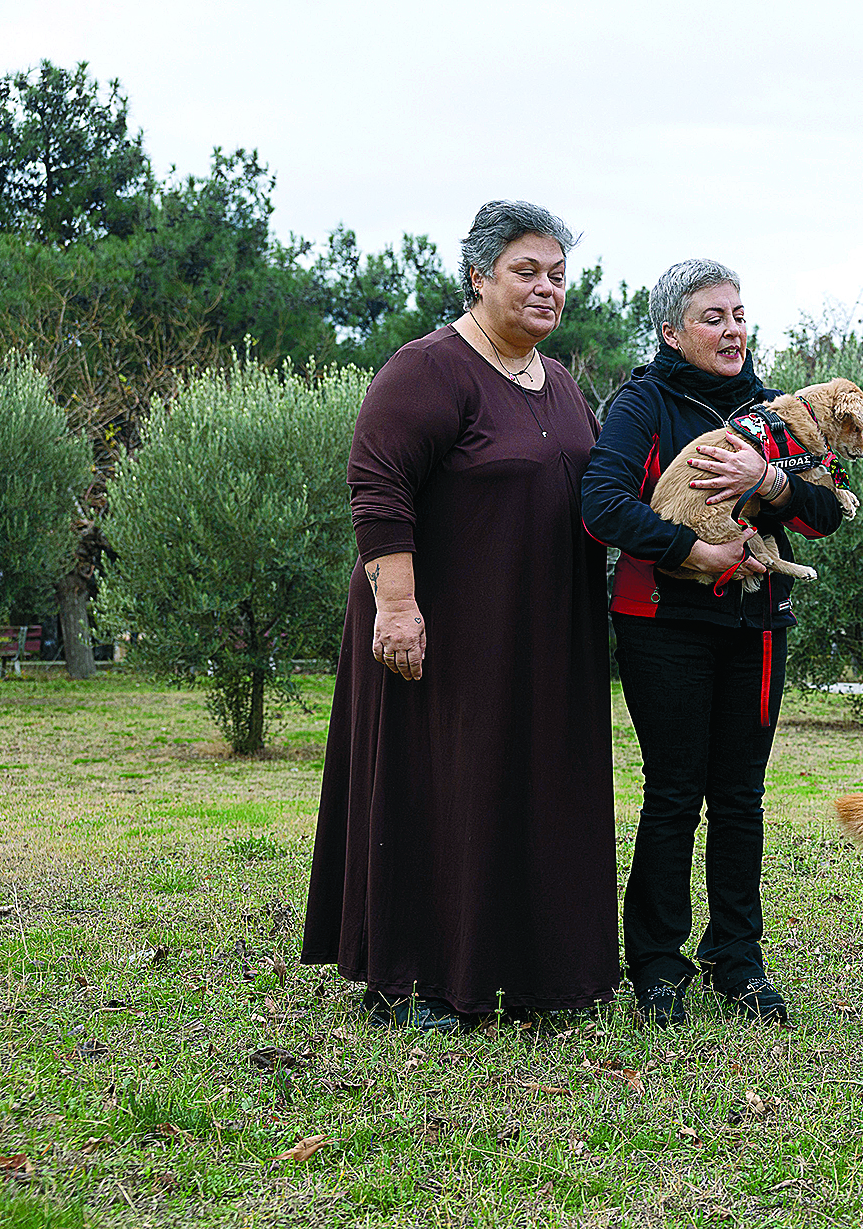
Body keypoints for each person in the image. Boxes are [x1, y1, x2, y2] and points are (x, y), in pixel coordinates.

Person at [302, 201, 620, 1031]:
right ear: (478, 276)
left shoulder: (558, 382)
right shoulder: (427, 368)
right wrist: (397, 607)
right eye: (526, 270)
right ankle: (413, 983)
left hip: (539, 636)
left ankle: (526, 971)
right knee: (439, 792)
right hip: (440, 634)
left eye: (557, 274)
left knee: (524, 792)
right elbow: (377, 483)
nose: (547, 287)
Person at [580, 258, 845, 1027]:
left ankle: (738, 960)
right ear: (671, 331)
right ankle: (657, 966)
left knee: (739, 797)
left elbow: (824, 513)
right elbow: (600, 504)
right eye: (712, 317)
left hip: (756, 626)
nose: (732, 331)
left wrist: (769, 481)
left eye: (738, 315)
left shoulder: (773, 409)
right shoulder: (642, 403)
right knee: (672, 794)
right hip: (662, 622)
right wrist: (690, 551)